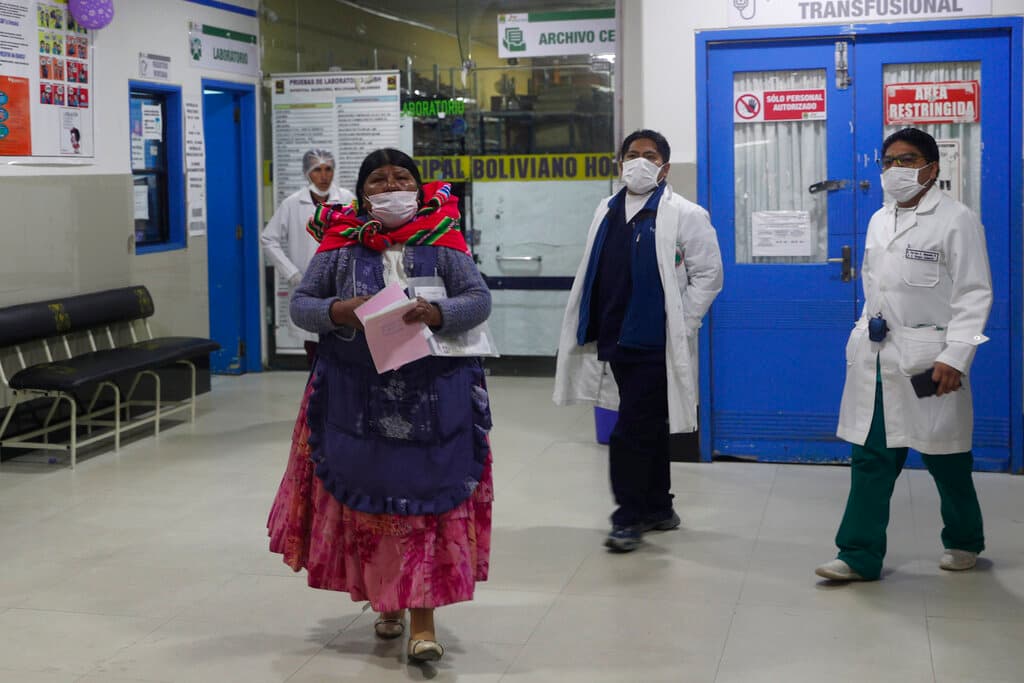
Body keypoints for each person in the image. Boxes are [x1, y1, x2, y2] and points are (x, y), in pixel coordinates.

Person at [267, 148, 493, 663]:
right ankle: (387, 602)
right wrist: (338, 311)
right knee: (373, 504)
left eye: (401, 178)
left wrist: (437, 312)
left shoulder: (444, 237)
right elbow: (303, 305)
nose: (391, 186)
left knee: (425, 505)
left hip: (434, 400)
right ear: (362, 192)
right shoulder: (340, 243)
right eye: (378, 180)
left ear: (417, 186)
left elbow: (478, 298)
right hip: (356, 397)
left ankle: (423, 620)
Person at [816, 127, 992, 582]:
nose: (896, 169)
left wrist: (958, 356)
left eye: (907, 160)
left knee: (946, 457)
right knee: (871, 456)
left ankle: (964, 539)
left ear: (931, 169)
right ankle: (858, 554)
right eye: (889, 161)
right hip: (878, 357)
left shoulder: (958, 220)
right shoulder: (879, 219)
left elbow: (976, 296)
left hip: (932, 359)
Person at [553, 129, 724, 553]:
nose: (640, 161)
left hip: (653, 339)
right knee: (648, 424)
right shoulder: (607, 209)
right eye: (632, 154)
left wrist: (683, 323)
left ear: (665, 167)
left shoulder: (686, 213)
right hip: (613, 334)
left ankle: (627, 517)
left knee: (629, 431)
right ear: (620, 162)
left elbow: (709, 275)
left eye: (650, 155)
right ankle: (658, 507)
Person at [261, 149, 355, 366]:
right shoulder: (293, 204)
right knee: (314, 349)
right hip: (308, 284)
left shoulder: (347, 199)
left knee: (345, 343)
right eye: (317, 170)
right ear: (307, 173)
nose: (324, 176)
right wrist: (292, 274)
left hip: (342, 282)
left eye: (328, 169)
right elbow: (268, 239)